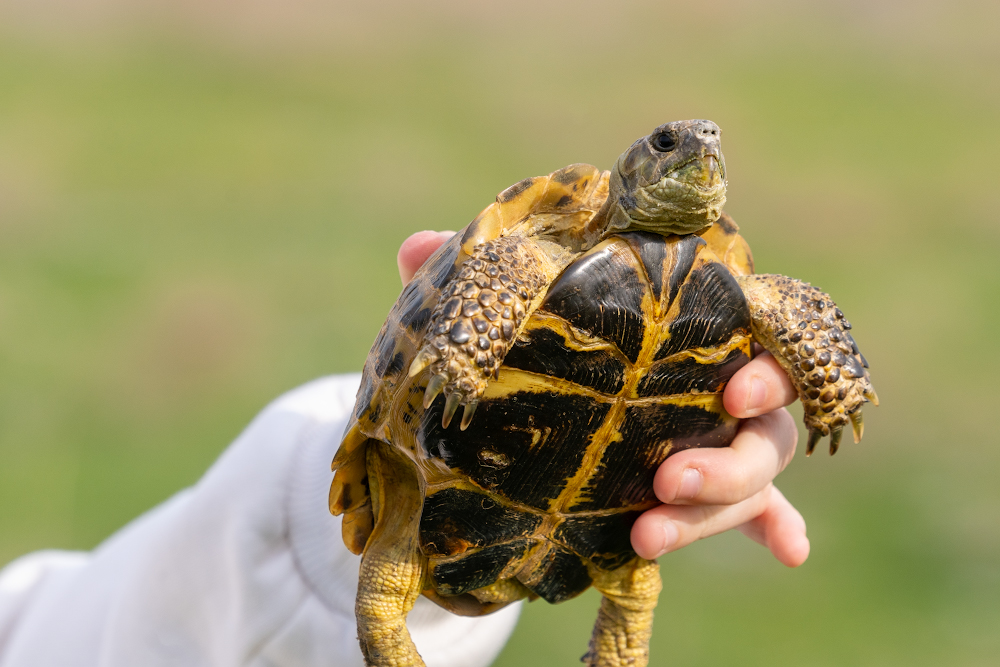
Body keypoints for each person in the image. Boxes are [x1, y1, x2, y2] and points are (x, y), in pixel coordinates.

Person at [0, 232, 809, 667]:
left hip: (616, 506)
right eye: (671, 148)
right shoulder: (530, 251)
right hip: (428, 484)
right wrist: (445, 369)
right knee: (388, 587)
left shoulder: (750, 290)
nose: (695, 160)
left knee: (631, 581)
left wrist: (826, 375)